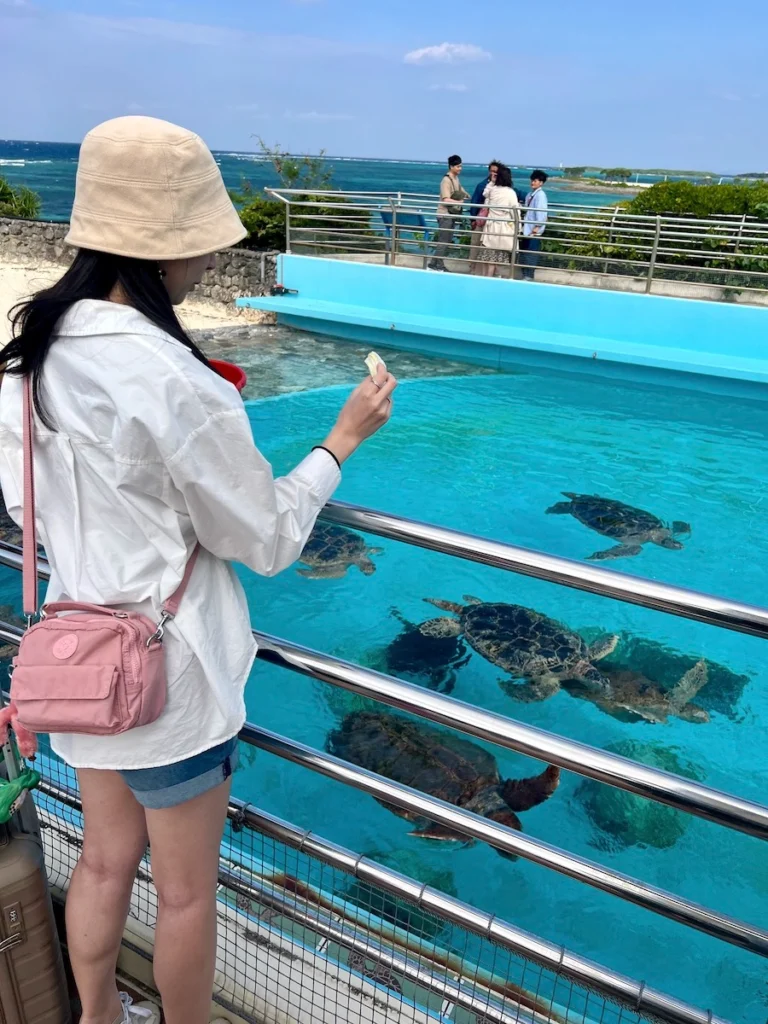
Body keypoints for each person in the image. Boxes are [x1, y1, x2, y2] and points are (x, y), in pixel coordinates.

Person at [0, 116, 396, 1024]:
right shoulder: (178, 380)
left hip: (77, 663)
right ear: (166, 252)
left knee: (102, 862)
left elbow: (32, 516)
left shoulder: (25, 363)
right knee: (184, 897)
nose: (208, 264)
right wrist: (341, 442)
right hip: (168, 681)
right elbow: (265, 539)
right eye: (201, 248)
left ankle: (95, 1017)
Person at [477, 163, 520, 278]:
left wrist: (491, 181)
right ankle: (492, 280)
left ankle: (485, 278)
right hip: (502, 229)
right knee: (496, 260)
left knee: (488, 258)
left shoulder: (493, 190)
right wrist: (518, 228)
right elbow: (516, 212)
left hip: (490, 227)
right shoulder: (510, 193)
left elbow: (485, 193)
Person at [428, 154, 469, 272]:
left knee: (446, 240)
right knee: (443, 241)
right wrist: (459, 201)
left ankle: (434, 264)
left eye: (461, 166)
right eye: (458, 166)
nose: (460, 168)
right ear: (451, 166)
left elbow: (460, 190)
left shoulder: (456, 179)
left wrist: (468, 196)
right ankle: (437, 265)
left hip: (451, 214)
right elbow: (445, 199)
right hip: (444, 214)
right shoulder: (446, 180)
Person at [468, 161, 499, 275]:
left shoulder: (500, 186)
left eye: (496, 171)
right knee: (475, 245)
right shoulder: (482, 185)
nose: (493, 173)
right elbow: (474, 204)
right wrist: (473, 220)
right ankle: (472, 269)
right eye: (492, 171)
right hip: (480, 222)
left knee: (488, 248)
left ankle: (485, 272)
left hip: (492, 223)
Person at [520, 170, 548, 280]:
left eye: (535, 181)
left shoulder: (540, 195)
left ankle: (529, 275)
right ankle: (526, 274)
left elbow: (541, 212)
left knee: (531, 253)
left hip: (533, 230)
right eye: (532, 180)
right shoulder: (531, 194)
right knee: (525, 252)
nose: (532, 182)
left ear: (541, 183)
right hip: (527, 229)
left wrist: (537, 227)